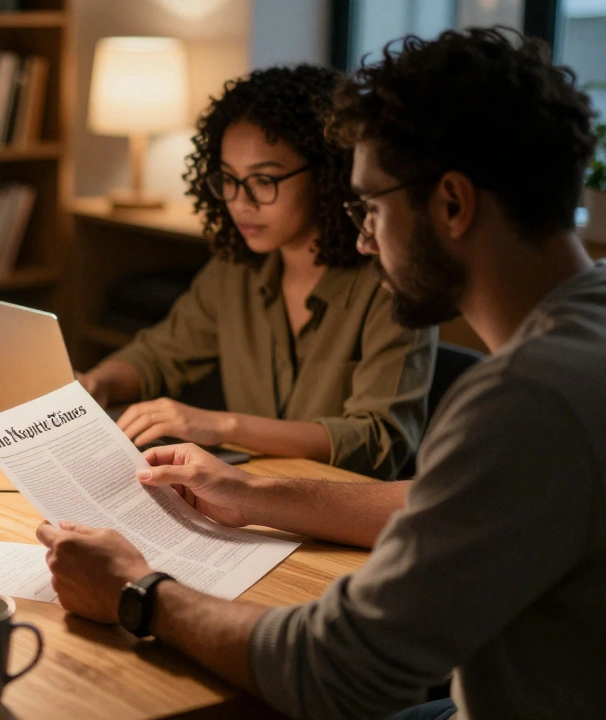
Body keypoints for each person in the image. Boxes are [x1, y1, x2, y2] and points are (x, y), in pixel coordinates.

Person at [39, 28, 604, 719]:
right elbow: (431, 501)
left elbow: (338, 672)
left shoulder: (525, 398)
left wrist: (137, 591)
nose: (363, 239)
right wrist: (253, 493)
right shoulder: (582, 339)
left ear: (453, 204)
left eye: (373, 208)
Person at [80, 65, 434, 480]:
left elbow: (378, 441)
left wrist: (222, 426)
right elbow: (159, 354)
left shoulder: (390, 283)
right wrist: (98, 383)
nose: (241, 202)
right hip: (249, 497)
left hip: (340, 506)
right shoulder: (237, 270)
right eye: (229, 179)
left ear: (328, 172)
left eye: (264, 180)